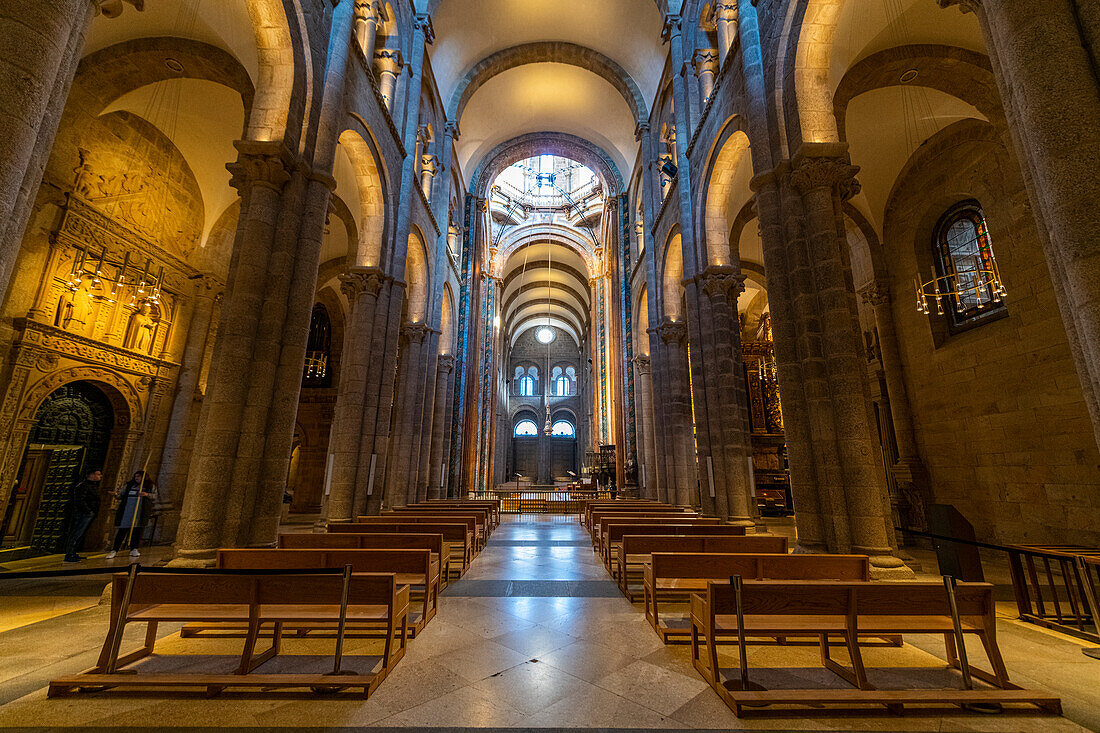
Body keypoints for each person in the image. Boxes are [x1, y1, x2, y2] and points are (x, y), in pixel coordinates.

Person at [105, 470, 156, 559]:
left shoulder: (149, 486)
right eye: (136, 476)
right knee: (122, 531)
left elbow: (155, 496)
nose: (137, 478)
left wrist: (146, 494)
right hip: (127, 512)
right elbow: (121, 494)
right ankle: (114, 550)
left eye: (139, 476)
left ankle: (134, 548)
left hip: (139, 513)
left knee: (136, 531)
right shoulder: (129, 485)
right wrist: (115, 494)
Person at [62, 468, 102, 562]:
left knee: (81, 534)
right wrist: (88, 511)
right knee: (77, 533)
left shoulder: (92, 486)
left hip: (88, 513)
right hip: (83, 514)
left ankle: (74, 552)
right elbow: (80, 500)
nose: (100, 476)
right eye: (98, 474)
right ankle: (69, 554)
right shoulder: (83, 486)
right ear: (91, 475)